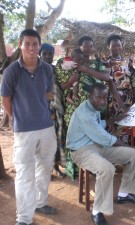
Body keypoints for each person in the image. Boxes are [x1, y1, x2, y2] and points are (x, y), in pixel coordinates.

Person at [66, 83, 135, 225]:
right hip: (81, 150)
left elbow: (99, 124)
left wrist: (116, 119)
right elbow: (105, 138)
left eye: (104, 98)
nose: (102, 101)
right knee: (106, 168)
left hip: (96, 145)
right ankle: (97, 211)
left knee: (133, 155)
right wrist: (126, 144)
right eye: (98, 98)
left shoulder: (93, 108)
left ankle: (124, 194)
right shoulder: (84, 113)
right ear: (90, 96)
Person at [1, 29, 57, 225]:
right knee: (25, 173)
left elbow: (48, 95)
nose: (32, 48)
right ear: (20, 45)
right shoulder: (11, 71)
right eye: (28, 44)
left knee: (44, 167)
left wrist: (40, 107)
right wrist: (15, 117)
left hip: (46, 128)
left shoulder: (48, 69)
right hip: (23, 130)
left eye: (35, 44)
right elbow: (5, 99)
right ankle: (24, 218)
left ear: (39, 45)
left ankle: (41, 202)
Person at [57, 36, 111, 180]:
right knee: (75, 138)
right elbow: (61, 85)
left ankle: (94, 166)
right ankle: (74, 171)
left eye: (91, 46)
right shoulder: (68, 63)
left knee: (94, 134)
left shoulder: (97, 63)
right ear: (79, 47)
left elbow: (107, 78)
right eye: (85, 46)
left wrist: (85, 69)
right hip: (74, 107)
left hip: (94, 108)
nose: (88, 48)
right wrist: (70, 83)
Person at [104, 34, 135, 142]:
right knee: (114, 124)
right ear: (108, 47)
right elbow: (109, 81)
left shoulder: (128, 62)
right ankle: (115, 150)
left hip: (127, 98)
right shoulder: (106, 62)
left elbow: (132, 79)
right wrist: (118, 100)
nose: (116, 48)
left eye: (118, 45)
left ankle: (126, 150)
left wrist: (134, 100)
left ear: (122, 46)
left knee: (126, 124)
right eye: (113, 45)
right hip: (113, 99)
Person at [39, 43, 66, 178]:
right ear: (40, 55)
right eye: (45, 54)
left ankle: (55, 165)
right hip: (44, 110)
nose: (48, 56)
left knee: (57, 137)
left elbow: (61, 87)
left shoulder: (56, 70)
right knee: (46, 140)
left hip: (57, 109)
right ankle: (47, 168)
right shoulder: (37, 70)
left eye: (50, 54)